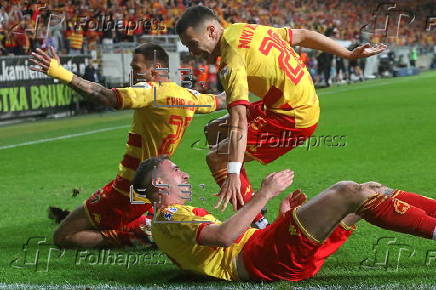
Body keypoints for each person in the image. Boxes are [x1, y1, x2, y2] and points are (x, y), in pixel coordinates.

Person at [175, 6, 387, 226]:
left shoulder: (231, 59)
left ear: (211, 31)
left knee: (217, 158)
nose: (192, 52)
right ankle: (251, 201)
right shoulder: (244, 29)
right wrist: (349, 53)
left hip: (292, 118)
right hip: (292, 104)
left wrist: (233, 173)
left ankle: (257, 224)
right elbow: (304, 35)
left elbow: (239, 121)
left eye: (192, 44)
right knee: (214, 130)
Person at [29, 43, 226, 248]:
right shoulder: (189, 97)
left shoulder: (151, 92)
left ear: (156, 69)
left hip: (129, 188)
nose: (133, 73)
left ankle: (139, 236)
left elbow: (106, 97)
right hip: (153, 184)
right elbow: (221, 100)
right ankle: (146, 224)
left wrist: (59, 72)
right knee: (100, 216)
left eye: (137, 68)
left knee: (63, 236)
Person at [133, 156, 436, 282]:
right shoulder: (169, 215)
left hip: (264, 251)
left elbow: (234, 237)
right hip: (260, 260)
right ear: (158, 185)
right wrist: (263, 194)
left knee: (369, 191)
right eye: (174, 171)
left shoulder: (168, 219)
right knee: (347, 191)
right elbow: (223, 238)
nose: (183, 174)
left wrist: (281, 220)